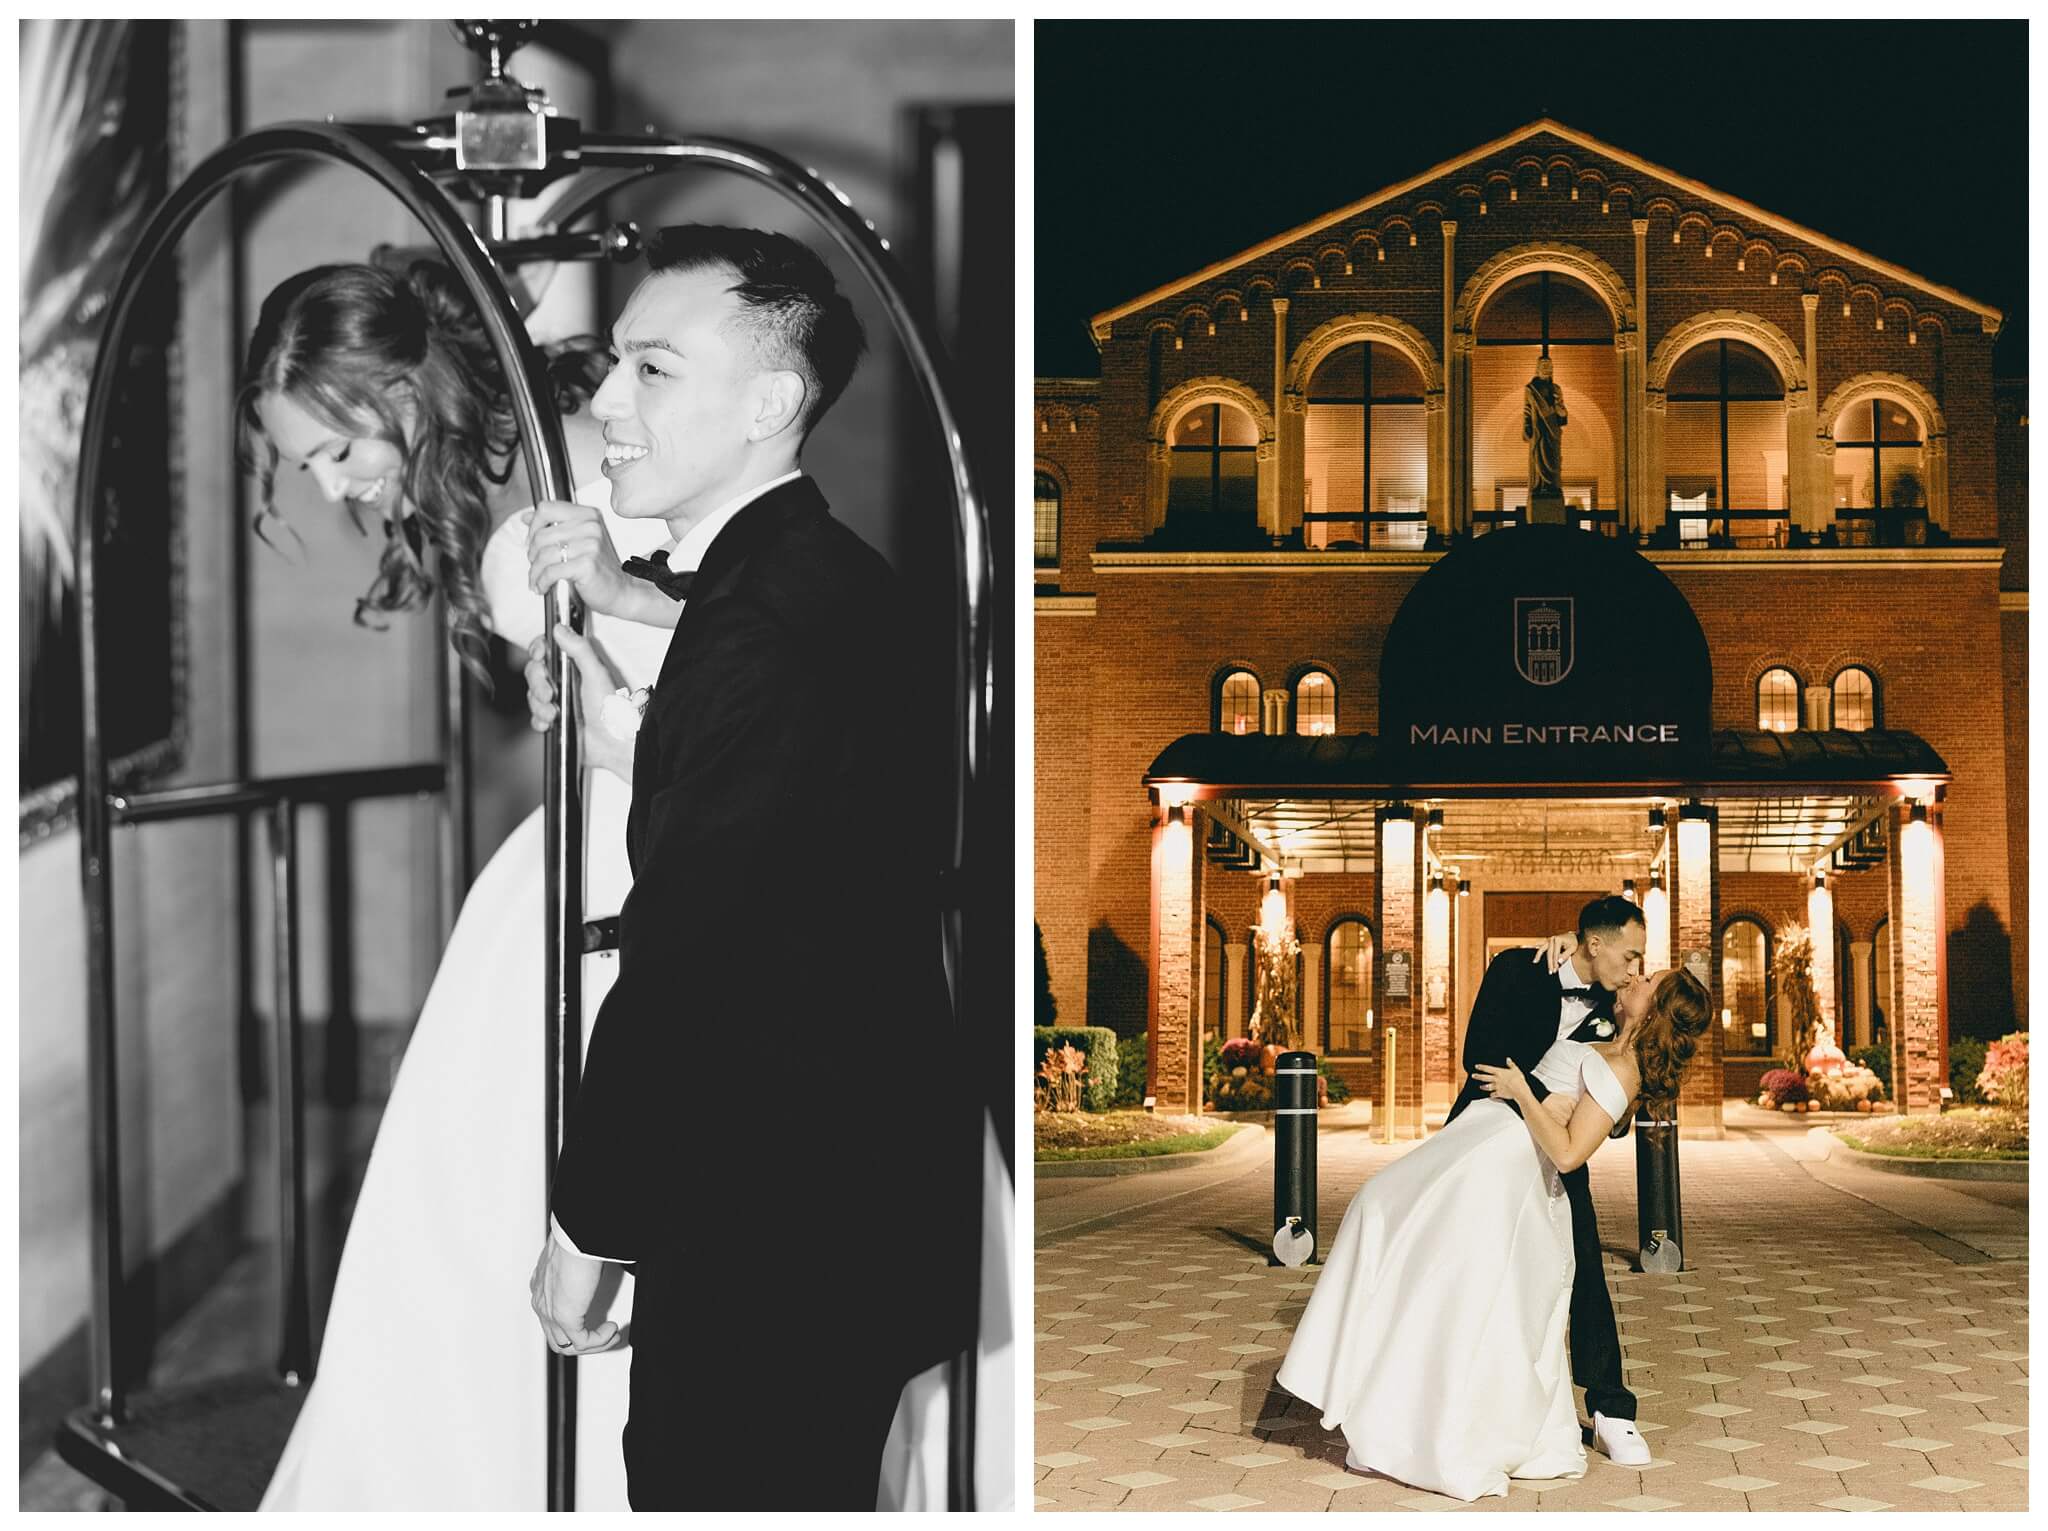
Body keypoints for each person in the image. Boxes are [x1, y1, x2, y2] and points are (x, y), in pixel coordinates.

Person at [520, 225, 978, 1510]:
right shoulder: (819, 575)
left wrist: (582, 1227)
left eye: (653, 370)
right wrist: (626, 595)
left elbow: (686, 966)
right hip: (839, 1188)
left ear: (771, 402)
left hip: (773, 1218)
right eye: (615, 364)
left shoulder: (767, 627)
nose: (607, 403)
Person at [242, 260, 665, 1510]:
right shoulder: (529, 479)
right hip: (592, 836)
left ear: (401, 392)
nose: (328, 489)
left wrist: (596, 721)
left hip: (647, 856)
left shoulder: (564, 481)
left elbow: (687, 696)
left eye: (331, 450)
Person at [1277, 960, 1711, 1501]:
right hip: (1483, 1138)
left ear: (1657, 1012)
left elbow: (1571, 1153)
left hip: (1501, 1161)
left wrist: (1522, 1091)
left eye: (1649, 981)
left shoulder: (1624, 1067)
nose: (1636, 978)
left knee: (1417, 1243)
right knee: (1400, 1230)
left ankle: (1423, 1424)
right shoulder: (1608, 1034)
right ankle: (1384, 1395)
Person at [1449, 894, 1649, 1464]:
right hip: (1485, 1138)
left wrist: (1595, 1112)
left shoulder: (1622, 1009)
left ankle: (1611, 1408)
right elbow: (1482, 1058)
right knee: (1465, 1260)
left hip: (1560, 1151)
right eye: (1630, 955)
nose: (1635, 968)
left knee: (1584, 1262)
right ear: (1594, 944)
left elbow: (1612, 1110)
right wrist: (1551, 1103)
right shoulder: (1517, 969)